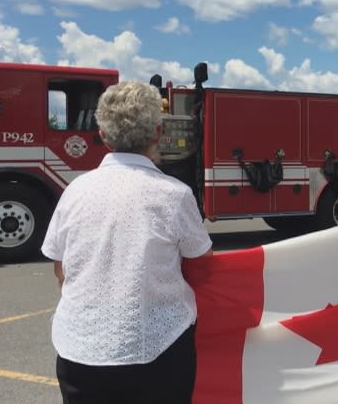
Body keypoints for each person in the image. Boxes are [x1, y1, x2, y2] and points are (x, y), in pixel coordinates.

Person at [41, 81, 213, 404]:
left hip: (78, 352)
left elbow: (60, 269)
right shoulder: (175, 196)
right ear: (158, 134)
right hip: (159, 353)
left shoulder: (74, 192)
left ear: (103, 136)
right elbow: (203, 267)